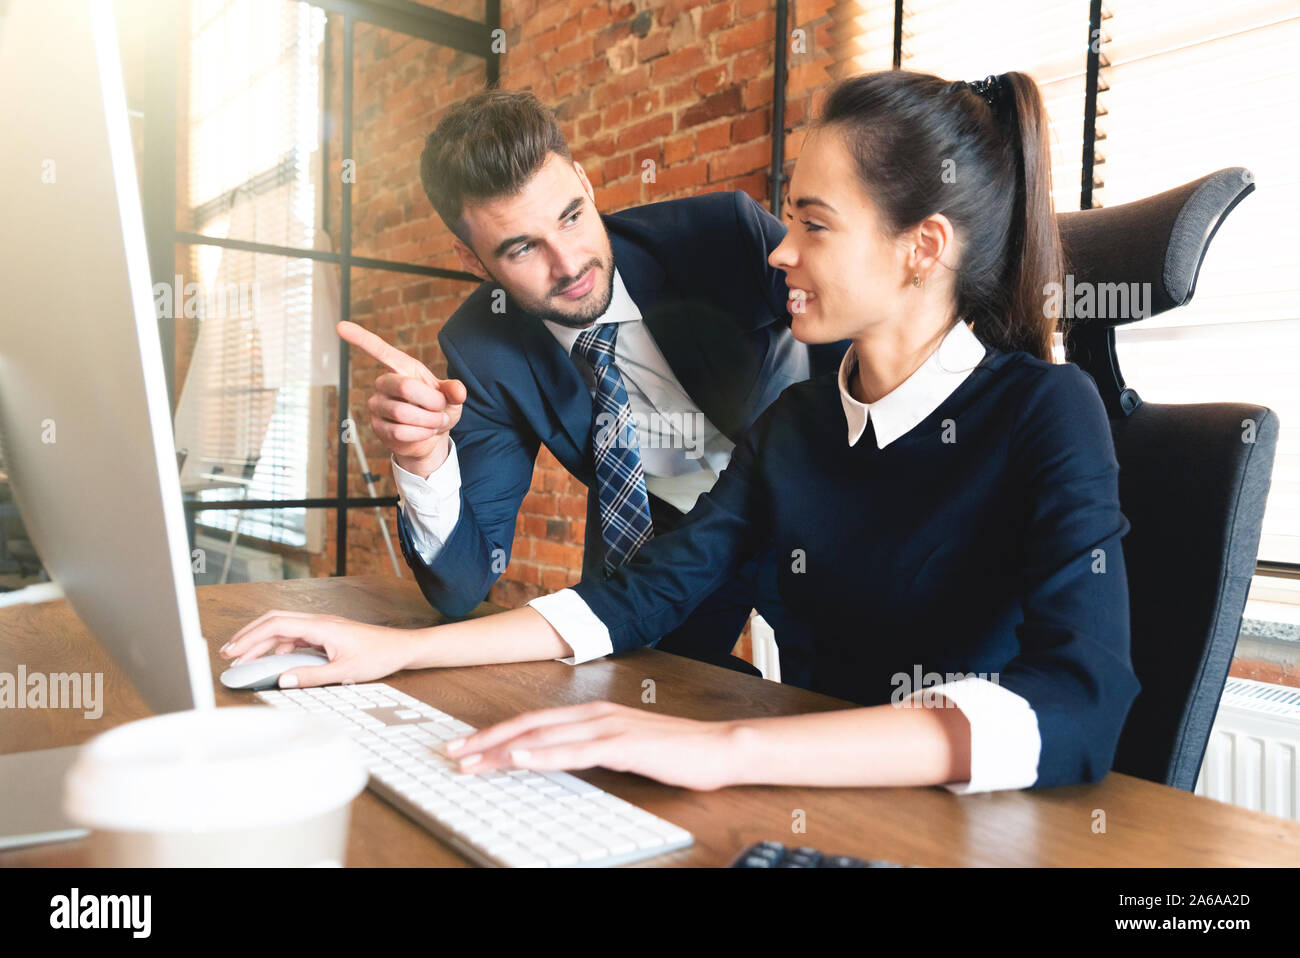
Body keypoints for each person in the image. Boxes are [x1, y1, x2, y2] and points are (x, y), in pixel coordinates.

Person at [223, 70, 1141, 792]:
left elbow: (1080, 703)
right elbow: (641, 594)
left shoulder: (1047, 411)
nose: (779, 250)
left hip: (966, 812)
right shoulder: (794, 427)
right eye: (789, 216)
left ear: (923, 247)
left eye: (812, 223)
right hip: (807, 773)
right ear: (480, 261)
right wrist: (400, 650)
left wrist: (730, 748)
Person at [341, 88, 846, 676]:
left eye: (572, 216)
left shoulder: (721, 234)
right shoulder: (484, 348)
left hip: (812, 500)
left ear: (584, 180)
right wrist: (422, 458)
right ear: (474, 261)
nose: (569, 264)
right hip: (672, 553)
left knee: (852, 698)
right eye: (523, 248)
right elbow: (460, 587)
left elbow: (852, 343)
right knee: (638, 693)